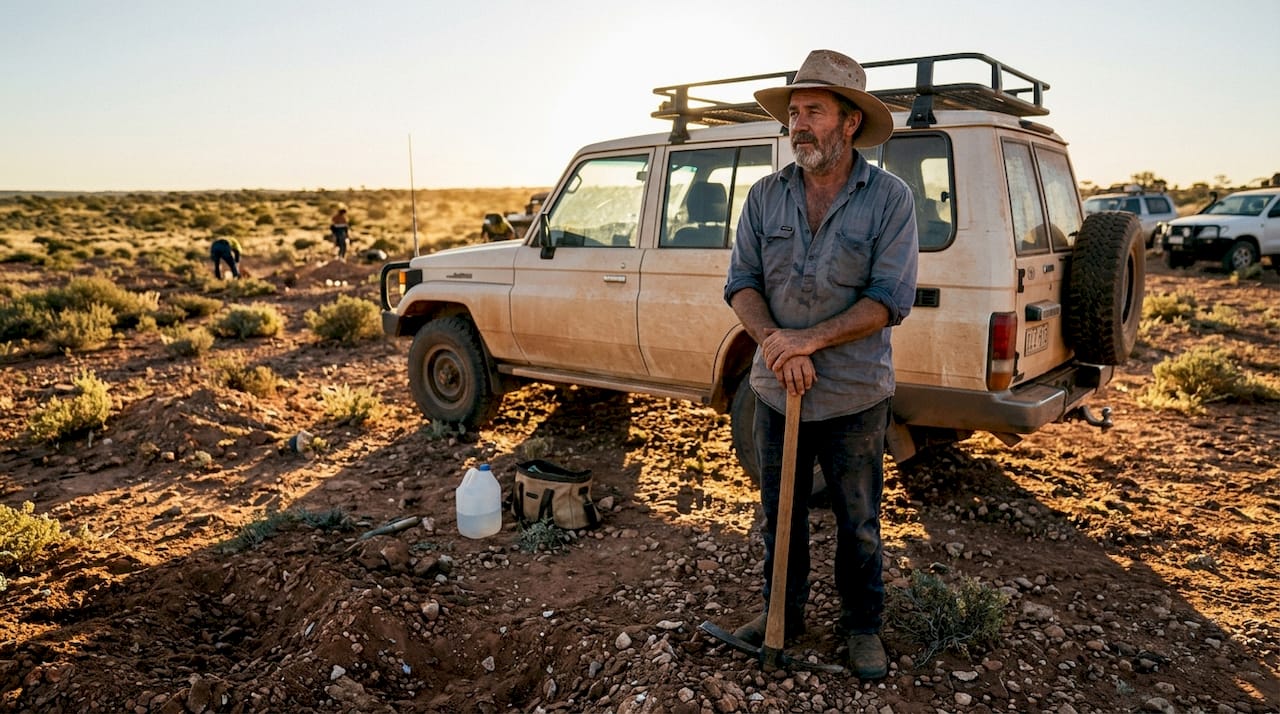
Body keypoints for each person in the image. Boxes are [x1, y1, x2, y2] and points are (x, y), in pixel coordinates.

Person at [723, 49, 919, 679]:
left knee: (858, 520)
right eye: (793, 113)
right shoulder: (764, 196)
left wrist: (811, 341)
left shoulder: (890, 199)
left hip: (855, 394)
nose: (798, 125)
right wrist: (777, 342)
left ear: (850, 121)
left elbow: (891, 299)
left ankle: (863, 627)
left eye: (813, 111)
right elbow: (742, 283)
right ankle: (782, 614)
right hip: (777, 389)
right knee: (778, 511)